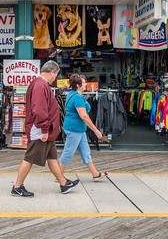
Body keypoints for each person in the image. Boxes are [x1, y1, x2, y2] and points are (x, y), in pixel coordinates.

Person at [11, 61, 80, 197]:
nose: (55, 79)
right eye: (56, 75)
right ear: (52, 72)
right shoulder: (40, 86)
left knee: (52, 157)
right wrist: (44, 129)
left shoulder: (39, 84)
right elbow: (39, 110)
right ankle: (17, 187)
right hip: (40, 130)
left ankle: (63, 183)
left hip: (45, 129)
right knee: (29, 158)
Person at [59, 74, 109, 181]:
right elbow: (84, 116)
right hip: (74, 129)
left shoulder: (72, 94)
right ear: (78, 85)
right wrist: (96, 130)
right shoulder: (77, 98)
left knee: (86, 151)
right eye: (84, 82)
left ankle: (95, 173)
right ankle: (58, 175)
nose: (86, 84)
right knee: (68, 152)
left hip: (78, 129)